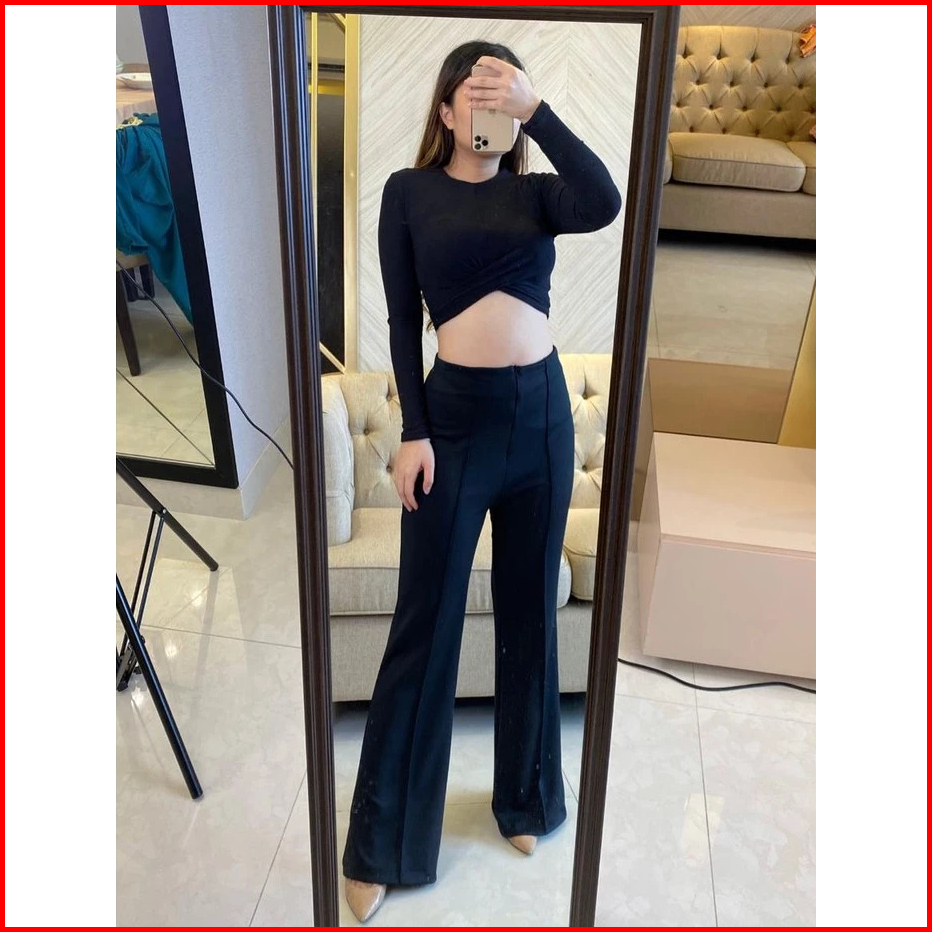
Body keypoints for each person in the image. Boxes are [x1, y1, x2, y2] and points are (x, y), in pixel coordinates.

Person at [342, 40, 621, 923]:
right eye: (477, 90)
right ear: (445, 109)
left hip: (542, 418)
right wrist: (413, 432)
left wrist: (541, 112)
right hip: (454, 421)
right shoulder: (408, 193)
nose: (490, 105)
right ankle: (384, 843)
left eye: (505, 92)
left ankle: (527, 801)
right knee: (423, 625)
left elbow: (605, 200)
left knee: (531, 611)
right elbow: (401, 321)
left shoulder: (537, 195)